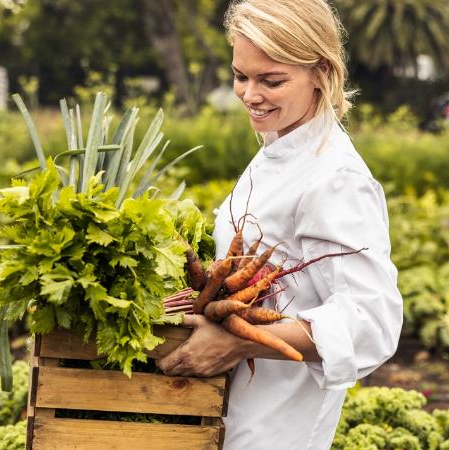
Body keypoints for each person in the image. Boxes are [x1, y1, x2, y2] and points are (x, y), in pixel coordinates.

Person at [156, 1, 403, 449]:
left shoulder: (335, 177)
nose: (250, 94)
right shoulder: (279, 145)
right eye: (241, 76)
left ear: (321, 73)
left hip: (277, 425)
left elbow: (371, 320)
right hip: (231, 407)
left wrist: (239, 343)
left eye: (271, 81)